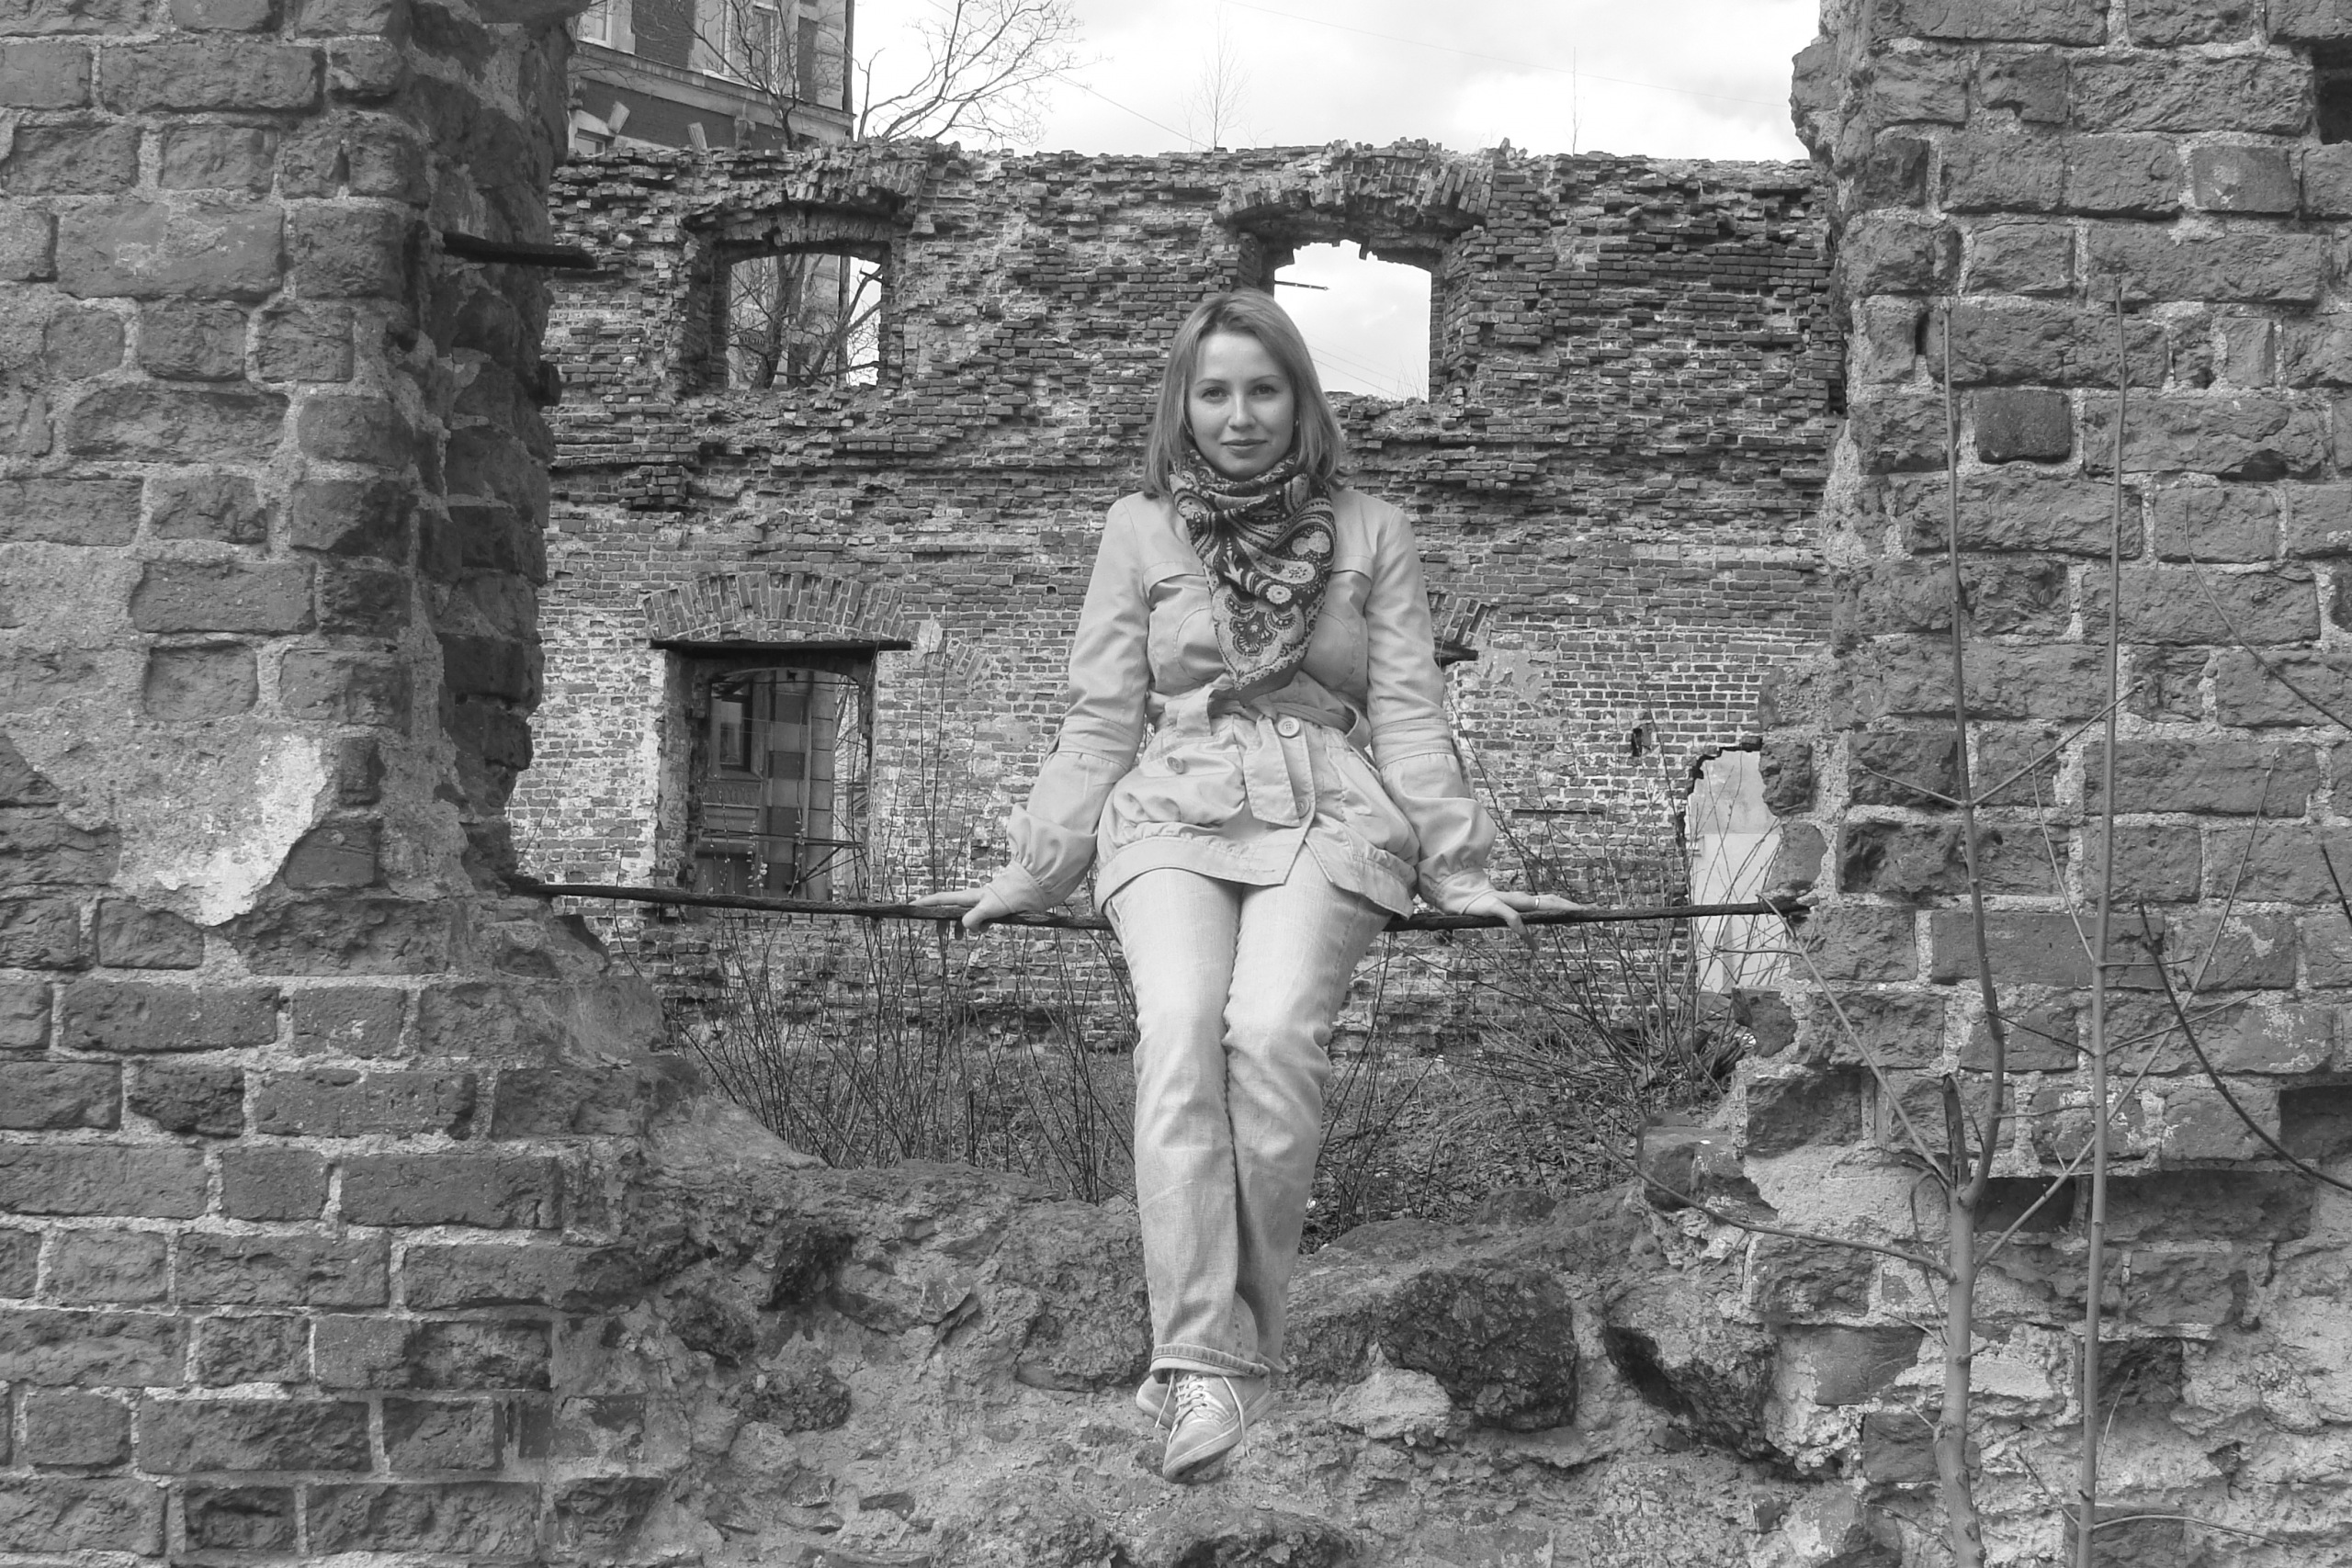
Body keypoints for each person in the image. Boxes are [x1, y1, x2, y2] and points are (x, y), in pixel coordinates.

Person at [913, 290, 1566, 1482]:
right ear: (1184, 404)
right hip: (1176, 804)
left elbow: (1411, 714)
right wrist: (1039, 866)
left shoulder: (1372, 529)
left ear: (1301, 400)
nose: (1240, 414)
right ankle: (1206, 1366)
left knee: (1269, 1034)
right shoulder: (1139, 529)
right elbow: (1102, 715)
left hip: (1327, 807)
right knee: (1176, 1029)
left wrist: (1462, 868)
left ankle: (1226, 1355)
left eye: (1264, 389)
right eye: (1214, 391)